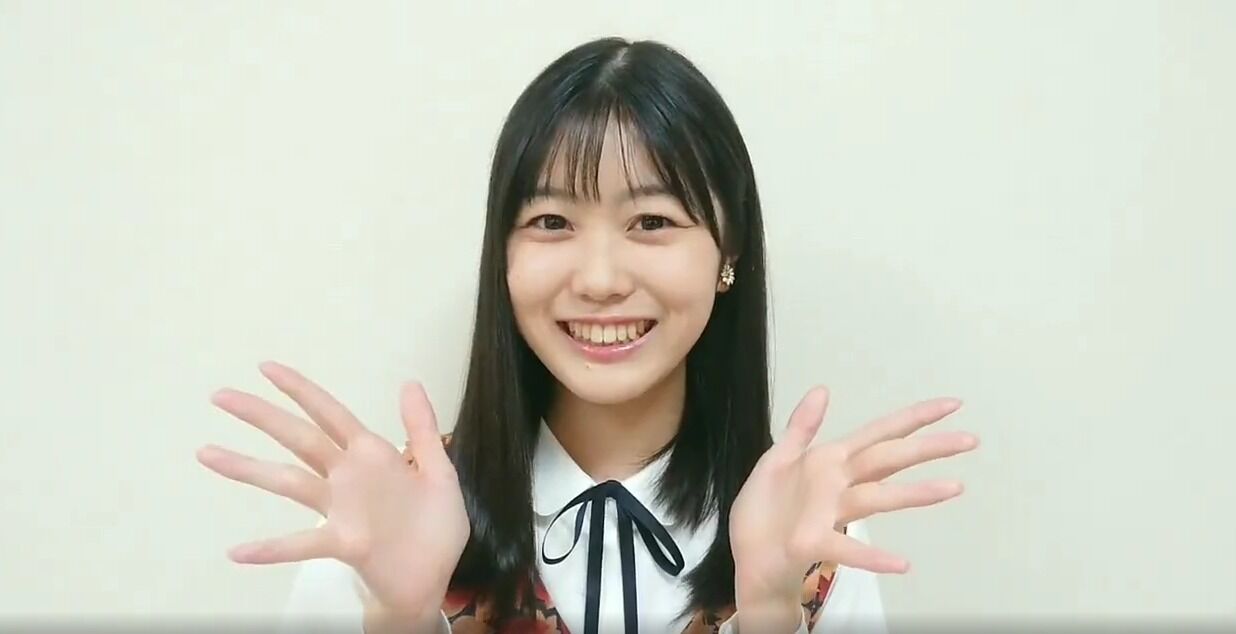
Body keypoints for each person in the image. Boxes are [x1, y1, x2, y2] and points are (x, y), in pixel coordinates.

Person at [197, 37, 979, 634]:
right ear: (503, 256)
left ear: (727, 254)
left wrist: (771, 608)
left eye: (652, 222)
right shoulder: (385, 517)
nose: (600, 278)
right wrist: (401, 617)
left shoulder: (809, 531)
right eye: (551, 222)